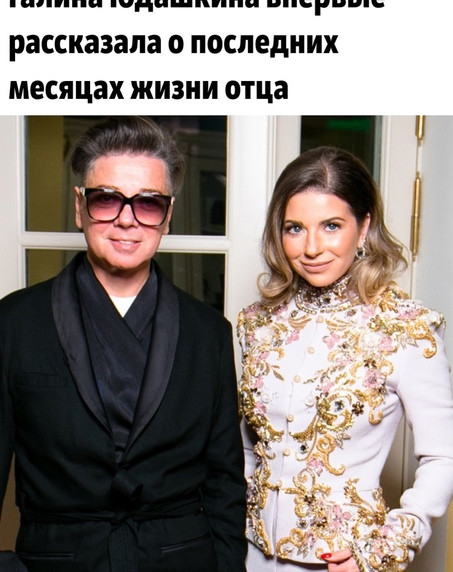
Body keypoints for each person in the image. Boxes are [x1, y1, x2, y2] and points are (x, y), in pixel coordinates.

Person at [0, 116, 247, 572]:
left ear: (167, 216)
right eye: (107, 199)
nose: (127, 220)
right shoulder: (14, 323)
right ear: (80, 207)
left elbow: (225, 484)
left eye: (148, 204)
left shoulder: (209, 332)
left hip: (180, 561)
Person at [237, 146, 453, 571]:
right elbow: (249, 447)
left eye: (331, 226)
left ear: (364, 226)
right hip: (248, 553)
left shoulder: (407, 328)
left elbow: (444, 455)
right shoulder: (256, 324)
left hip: (344, 560)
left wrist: (384, 550)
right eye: (294, 228)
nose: (312, 247)